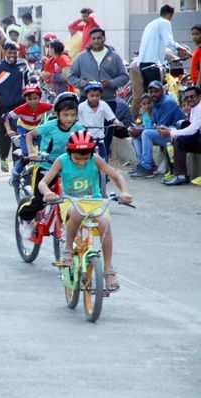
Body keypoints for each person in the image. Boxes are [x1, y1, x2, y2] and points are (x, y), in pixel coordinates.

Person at [38, 130, 133, 292]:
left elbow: (116, 176)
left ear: (91, 153)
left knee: (105, 222)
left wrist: (124, 191)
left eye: (85, 158)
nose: (82, 162)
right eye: (77, 158)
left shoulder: (96, 159)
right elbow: (43, 183)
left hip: (94, 201)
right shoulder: (61, 161)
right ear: (69, 153)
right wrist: (48, 193)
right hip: (70, 202)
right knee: (78, 213)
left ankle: (108, 269)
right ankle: (68, 249)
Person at [18, 92, 84, 221]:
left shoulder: (79, 128)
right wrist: (32, 152)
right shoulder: (50, 126)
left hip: (67, 167)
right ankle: (24, 218)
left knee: (78, 198)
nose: (69, 119)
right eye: (65, 115)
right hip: (46, 165)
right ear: (58, 114)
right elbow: (30, 135)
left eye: (73, 115)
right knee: (39, 201)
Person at [0, 41, 30, 172]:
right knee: (5, 133)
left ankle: (17, 163)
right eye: (10, 52)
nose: (13, 55)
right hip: (3, 106)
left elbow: (30, 79)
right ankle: (3, 158)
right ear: (5, 53)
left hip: (19, 105)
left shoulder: (22, 65)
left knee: (18, 133)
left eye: (15, 52)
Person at [130, 80, 185, 178]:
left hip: (176, 135)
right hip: (166, 133)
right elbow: (154, 125)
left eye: (156, 91)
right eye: (151, 92)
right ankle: (146, 165)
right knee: (135, 136)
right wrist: (137, 129)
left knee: (146, 134)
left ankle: (147, 168)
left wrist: (141, 130)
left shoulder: (167, 102)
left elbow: (161, 127)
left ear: (162, 91)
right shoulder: (155, 103)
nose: (153, 94)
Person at [5, 84, 53, 182]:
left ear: (40, 98)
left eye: (35, 98)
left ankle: (46, 170)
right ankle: (16, 173)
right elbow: (6, 117)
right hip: (24, 129)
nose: (33, 101)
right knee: (26, 153)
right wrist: (9, 130)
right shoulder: (21, 108)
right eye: (29, 99)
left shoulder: (44, 106)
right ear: (25, 99)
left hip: (37, 129)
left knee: (43, 152)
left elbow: (58, 109)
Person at [138, 5, 190, 90]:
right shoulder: (164, 22)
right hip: (153, 65)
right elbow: (169, 42)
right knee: (157, 94)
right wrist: (182, 49)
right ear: (170, 15)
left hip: (142, 65)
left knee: (149, 95)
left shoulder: (151, 24)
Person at [157, 86, 201, 185]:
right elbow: (190, 128)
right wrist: (171, 131)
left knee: (179, 139)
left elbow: (192, 130)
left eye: (192, 96)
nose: (189, 99)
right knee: (174, 140)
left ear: (199, 96)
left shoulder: (199, 108)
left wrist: (171, 132)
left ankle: (180, 175)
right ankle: (176, 173)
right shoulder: (194, 108)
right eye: (187, 97)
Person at [77, 81, 123, 161]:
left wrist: (117, 122)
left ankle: (104, 173)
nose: (94, 98)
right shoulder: (81, 106)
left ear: (100, 95)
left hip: (99, 137)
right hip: (85, 138)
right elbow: (75, 119)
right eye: (91, 95)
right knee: (85, 160)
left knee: (104, 160)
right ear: (87, 95)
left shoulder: (103, 104)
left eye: (97, 95)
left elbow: (112, 117)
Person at [129, 94, 154, 162]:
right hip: (144, 133)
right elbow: (140, 124)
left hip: (151, 134)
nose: (147, 106)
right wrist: (136, 127)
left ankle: (143, 162)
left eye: (149, 103)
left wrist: (140, 129)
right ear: (141, 105)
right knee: (134, 138)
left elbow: (153, 127)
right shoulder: (143, 114)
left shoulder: (153, 113)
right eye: (144, 104)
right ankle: (140, 161)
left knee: (137, 137)